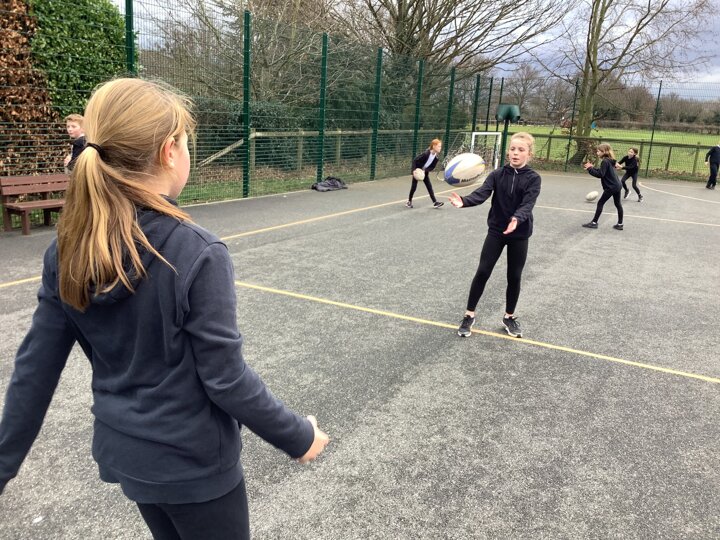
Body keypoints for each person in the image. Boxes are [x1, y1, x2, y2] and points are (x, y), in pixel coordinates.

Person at [0, 78, 329, 539]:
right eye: (186, 142)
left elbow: (34, 371)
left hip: (128, 457)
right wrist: (299, 435)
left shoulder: (67, 249)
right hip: (194, 465)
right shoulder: (195, 249)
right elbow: (226, 378)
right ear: (169, 151)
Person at [450, 132, 541, 339]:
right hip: (497, 231)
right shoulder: (497, 174)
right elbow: (482, 193)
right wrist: (464, 201)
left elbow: (528, 203)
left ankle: (509, 317)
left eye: (521, 150)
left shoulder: (534, 178)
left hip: (519, 233)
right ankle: (469, 315)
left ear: (529, 154)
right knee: (483, 271)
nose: (515, 153)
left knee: (514, 276)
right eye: (512, 149)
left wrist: (517, 218)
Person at [582, 143, 624, 230]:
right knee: (618, 204)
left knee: (600, 203)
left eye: (598, 151)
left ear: (604, 151)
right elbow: (602, 171)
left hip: (611, 187)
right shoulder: (610, 160)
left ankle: (594, 223)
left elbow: (600, 174)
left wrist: (590, 169)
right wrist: (592, 167)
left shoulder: (605, 161)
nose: (597, 153)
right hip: (617, 185)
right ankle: (620, 224)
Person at [407, 139, 444, 209]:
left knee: (429, 186)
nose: (440, 148)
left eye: (440, 146)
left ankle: (435, 202)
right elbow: (415, 160)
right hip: (418, 171)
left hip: (424, 172)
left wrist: (425, 170)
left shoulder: (436, 157)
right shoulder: (426, 154)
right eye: (439, 146)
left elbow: (432, 167)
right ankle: (409, 201)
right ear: (434, 146)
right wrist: (414, 171)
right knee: (414, 187)